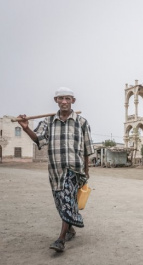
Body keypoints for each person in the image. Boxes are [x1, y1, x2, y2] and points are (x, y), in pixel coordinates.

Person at [17, 87, 95, 252]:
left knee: (67, 198)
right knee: (61, 202)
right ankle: (70, 230)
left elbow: (88, 149)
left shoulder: (81, 122)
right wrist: (25, 128)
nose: (64, 102)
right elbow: (39, 140)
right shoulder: (48, 122)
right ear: (56, 101)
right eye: (61, 99)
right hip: (55, 170)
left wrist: (86, 171)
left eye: (67, 98)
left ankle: (60, 240)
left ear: (73, 101)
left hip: (75, 170)